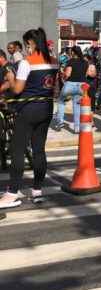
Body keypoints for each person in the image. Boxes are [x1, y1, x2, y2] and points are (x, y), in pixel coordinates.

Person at [0, 28, 58, 209]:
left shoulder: (27, 62)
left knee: (17, 149)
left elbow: (17, 89)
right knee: (39, 150)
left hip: (28, 110)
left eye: (26, 45)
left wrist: (10, 74)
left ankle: (12, 193)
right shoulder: (54, 62)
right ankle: (37, 190)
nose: (26, 49)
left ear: (32, 43)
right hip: (46, 109)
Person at [54, 46, 88, 133]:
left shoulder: (71, 61)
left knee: (61, 101)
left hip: (70, 84)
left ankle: (60, 122)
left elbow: (68, 74)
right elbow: (86, 74)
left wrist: (63, 74)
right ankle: (77, 128)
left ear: (73, 52)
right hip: (81, 85)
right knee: (77, 106)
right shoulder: (85, 62)